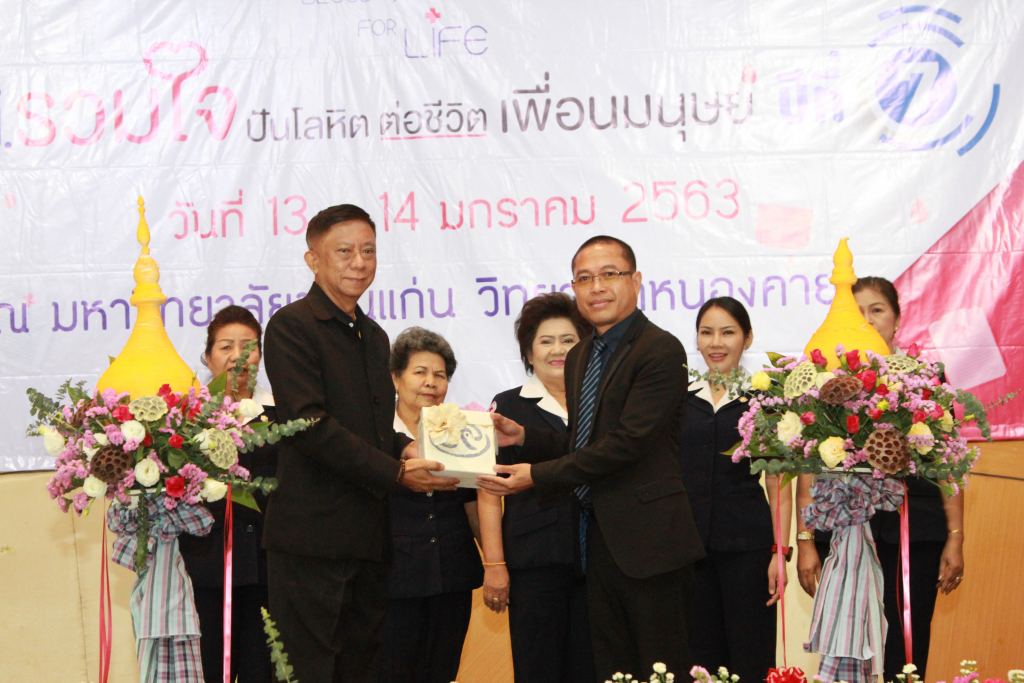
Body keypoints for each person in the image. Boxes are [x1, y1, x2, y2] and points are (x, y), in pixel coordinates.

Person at [478, 236, 705, 682]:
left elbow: (628, 443)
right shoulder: (582, 354)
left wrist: (537, 475)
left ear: (636, 281)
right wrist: (526, 437)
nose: (596, 287)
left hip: (651, 544)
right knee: (611, 668)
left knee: (660, 668)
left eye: (609, 274)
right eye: (584, 278)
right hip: (598, 544)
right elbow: (584, 443)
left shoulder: (660, 349)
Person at [262, 204, 458, 683]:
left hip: (369, 538)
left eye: (368, 251)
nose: (359, 262)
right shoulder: (291, 326)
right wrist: (395, 472)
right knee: (310, 670)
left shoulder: (374, 336)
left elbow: (369, 427)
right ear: (313, 259)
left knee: (363, 668)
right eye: (344, 251)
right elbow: (308, 425)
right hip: (312, 541)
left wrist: (404, 448)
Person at [795, 275, 965, 680]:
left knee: (907, 644)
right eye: (858, 312)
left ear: (897, 319)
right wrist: (804, 539)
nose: (868, 321)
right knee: (847, 643)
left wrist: (956, 536)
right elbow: (806, 467)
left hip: (914, 532)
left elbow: (949, 464)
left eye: (878, 310)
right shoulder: (825, 380)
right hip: (844, 532)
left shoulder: (927, 379)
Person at [478, 292, 595, 683]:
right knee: (538, 668)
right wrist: (495, 565)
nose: (557, 350)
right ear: (529, 352)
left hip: (600, 562)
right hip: (535, 561)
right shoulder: (508, 406)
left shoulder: (601, 404)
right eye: (546, 341)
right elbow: (488, 488)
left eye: (568, 340)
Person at [681, 297, 791, 682]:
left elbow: (778, 483)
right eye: (706, 332)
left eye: (727, 332)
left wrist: (780, 552)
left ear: (747, 338)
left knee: (750, 655)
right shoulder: (679, 398)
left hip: (748, 549)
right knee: (697, 660)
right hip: (690, 551)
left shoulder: (764, 401)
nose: (716, 342)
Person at [379, 327, 483, 683]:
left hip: (453, 574)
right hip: (393, 576)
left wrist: (497, 563)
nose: (431, 382)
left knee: (442, 672)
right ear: (395, 377)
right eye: (420, 372)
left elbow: (472, 502)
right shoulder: (373, 434)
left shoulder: (462, 431)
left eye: (440, 375)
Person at [180, 305, 276, 683]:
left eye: (249, 346)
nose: (239, 356)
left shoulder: (282, 412)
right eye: (226, 347)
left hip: (269, 574)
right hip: (204, 573)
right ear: (207, 357)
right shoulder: (185, 417)